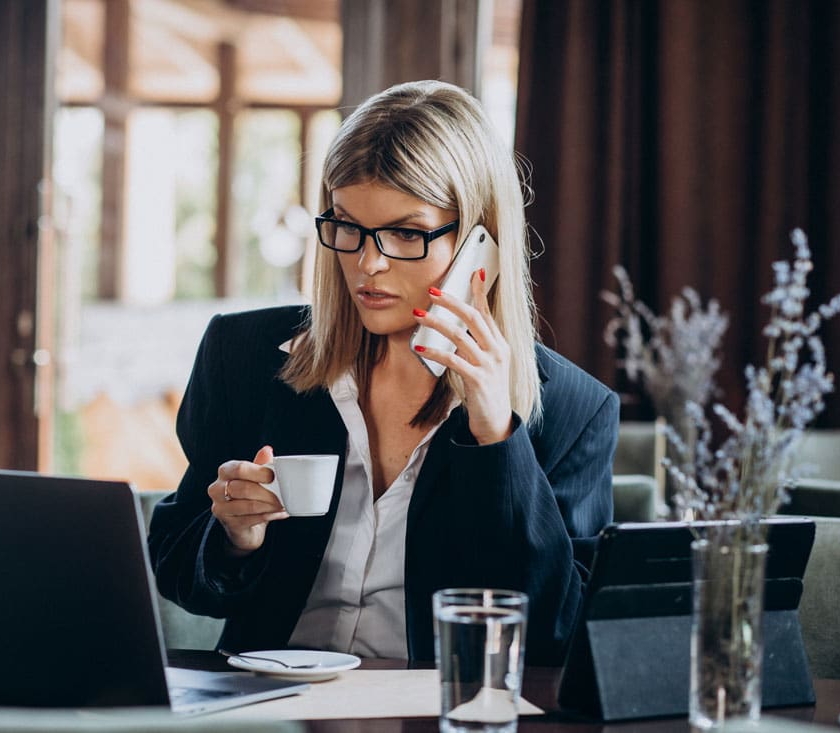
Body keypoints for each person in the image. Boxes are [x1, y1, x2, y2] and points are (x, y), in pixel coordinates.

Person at [147, 80, 618, 664]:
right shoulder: (242, 355)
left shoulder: (573, 409)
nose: (368, 263)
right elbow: (172, 568)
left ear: (481, 244)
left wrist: (497, 438)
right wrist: (234, 538)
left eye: (406, 233)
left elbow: (557, 633)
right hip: (269, 704)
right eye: (348, 226)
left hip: (434, 709)